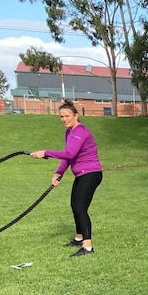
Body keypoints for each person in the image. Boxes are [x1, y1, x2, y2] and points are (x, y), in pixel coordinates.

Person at [30, 99, 103, 257]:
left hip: (91, 173)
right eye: (61, 116)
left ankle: (88, 247)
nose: (64, 119)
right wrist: (58, 173)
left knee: (80, 208)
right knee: (74, 205)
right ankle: (78, 238)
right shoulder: (69, 132)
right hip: (82, 173)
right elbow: (68, 157)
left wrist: (46, 152)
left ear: (76, 115)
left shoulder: (80, 131)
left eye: (67, 115)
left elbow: (70, 154)